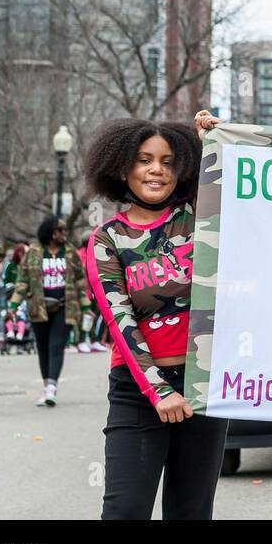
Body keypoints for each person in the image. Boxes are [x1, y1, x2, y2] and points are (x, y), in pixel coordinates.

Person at [85, 111, 228, 520]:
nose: (156, 170)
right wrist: (158, 390)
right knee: (124, 511)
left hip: (203, 387)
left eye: (168, 162)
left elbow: (236, 192)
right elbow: (120, 321)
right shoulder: (106, 239)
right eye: (144, 159)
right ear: (122, 167)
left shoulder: (199, 217)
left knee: (191, 511)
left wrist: (211, 144)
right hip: (138, 392)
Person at [9, 216, 92, 407]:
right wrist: (13, 306)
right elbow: (22, 281)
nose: (65, 233)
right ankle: (47, 385)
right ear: (50, 232)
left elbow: (80, 281)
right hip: (39, 307)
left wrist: (86, 307)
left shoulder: (70, 252)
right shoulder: (34, 252)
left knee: (56, 345)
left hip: (65, 306)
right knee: (43, 348)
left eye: (64, 230)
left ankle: (51, 389)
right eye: (61, 230)